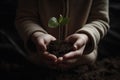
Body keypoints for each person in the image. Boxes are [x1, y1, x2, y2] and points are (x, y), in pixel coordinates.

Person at [15, 0, 109, 69]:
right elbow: (25, 18)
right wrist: (37, 35)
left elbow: (100, 20)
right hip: (39, 63)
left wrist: (85, 36)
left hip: (83, 64)